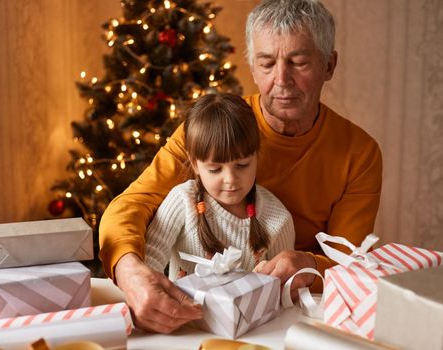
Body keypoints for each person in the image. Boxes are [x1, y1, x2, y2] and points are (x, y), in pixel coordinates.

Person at [99, 0, 382, 334]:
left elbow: (351, 263)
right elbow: (131, 204)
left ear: (329, 65)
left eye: (299, 62)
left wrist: (309, 263)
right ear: (252, 68)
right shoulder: (212, 132)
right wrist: (131, 272)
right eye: (266, 63)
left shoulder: (360, 153)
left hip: (296, 312)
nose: (282, 79)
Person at [143, 93, 295, 281]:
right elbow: (148, 263)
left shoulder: (277, 219)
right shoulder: (183, 201)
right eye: (215, 169)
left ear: (256, 156)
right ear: (195, 164)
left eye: (242, 165)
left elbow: (284, 287)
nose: (230, 179)